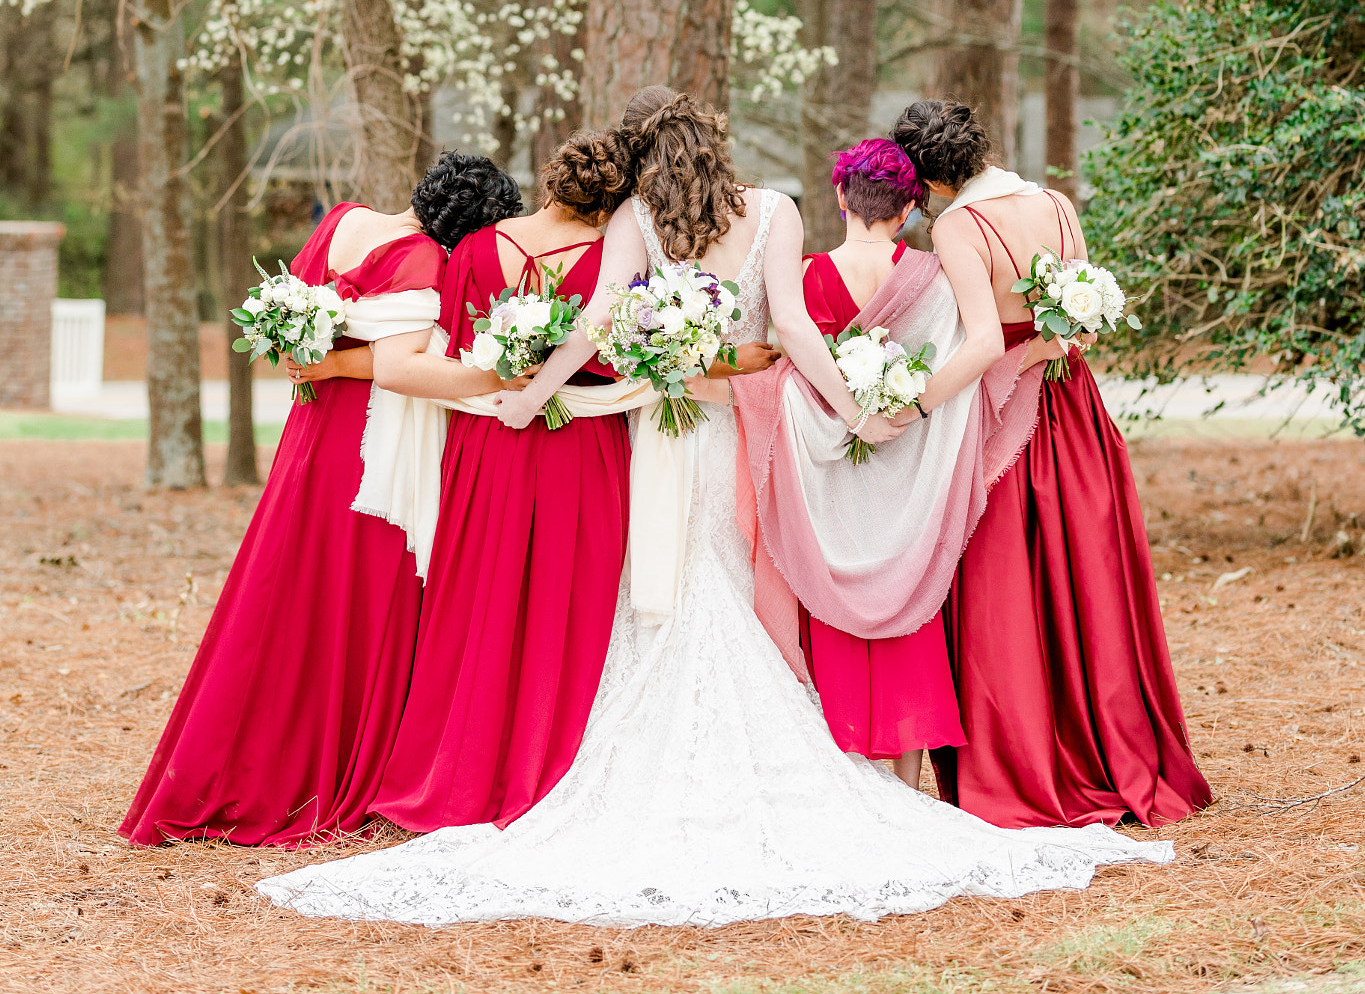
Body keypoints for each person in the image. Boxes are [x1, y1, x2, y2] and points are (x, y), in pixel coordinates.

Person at [261, 89, 1172, 928]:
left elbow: (597, 323)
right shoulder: (774, 209)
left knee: (656, 581)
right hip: (735, 434)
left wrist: (537, 390)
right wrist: (852, 408)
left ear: (647, 159)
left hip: (666, 437)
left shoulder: (634, 217)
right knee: (736, 575)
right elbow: (794, 331)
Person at [120, 152, 522, 847]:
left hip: (311, 433)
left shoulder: (341, 221)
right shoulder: (422, 257)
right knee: (350, 602)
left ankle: (230, 762)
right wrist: (503, 377)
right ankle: (310, 773)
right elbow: (402, 367)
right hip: (365, 451)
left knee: (284, 594)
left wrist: (331, 363)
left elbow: (303, 346)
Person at [888, 97, 1213, 831]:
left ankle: (1027, 760)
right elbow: (1082, 315)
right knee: (1085, 577)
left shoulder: (958, 226)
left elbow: (976, 346)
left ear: (928, 181)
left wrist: (907, 410)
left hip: (1009, 419)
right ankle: (1105, 748)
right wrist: (1051, 341)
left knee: (1003, 584)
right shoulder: (1056, 204)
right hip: (1076, 412)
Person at [361, 126, 636, 830]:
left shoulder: (480, 247)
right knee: (566, 602)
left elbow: (449, 342)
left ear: (550, 181)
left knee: (474, 597)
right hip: (581, 441)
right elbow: (622, 353)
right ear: (611, 203)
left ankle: (453, 773)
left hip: (486, 439)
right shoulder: (613, 262)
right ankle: (550, 769)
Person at [798, 137, 966, 788]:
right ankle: (907, 786)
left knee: (837, 606)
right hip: (909, 467)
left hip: (833, 471)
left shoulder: (808, 277)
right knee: (907, 603)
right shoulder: (930, 278)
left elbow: (795, 384)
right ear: (908, 210)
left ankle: (849, 780)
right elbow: (949, 369)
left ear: (840, 197)